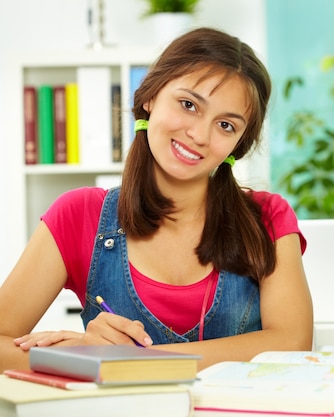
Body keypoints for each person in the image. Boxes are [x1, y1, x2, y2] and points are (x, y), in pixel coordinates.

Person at [0, 27, 313, 372]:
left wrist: (127, 361)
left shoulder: (266, 218)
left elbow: (291, 344)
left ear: (238, 144)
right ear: (150, 96)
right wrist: (79, 356)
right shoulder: (79, 214)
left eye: (226, 125)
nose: (199, 136)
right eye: (188, 104)